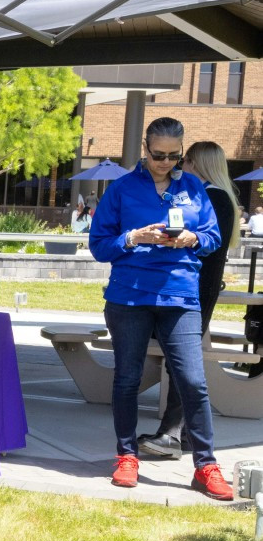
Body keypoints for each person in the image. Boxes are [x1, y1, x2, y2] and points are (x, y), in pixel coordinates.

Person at [89, 118, 232, 499]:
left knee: (193, 382)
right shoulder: (121, 189)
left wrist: (192, 238)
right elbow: (99, 246)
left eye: (173, 155)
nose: (165, 162)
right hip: (129, 296)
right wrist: (133, 238)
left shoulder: (196, 189)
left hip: (179, 296)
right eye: (158, 155)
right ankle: (126, 456)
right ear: (145, 148)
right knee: (127, 379)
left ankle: (206, 466)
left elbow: (214, 238)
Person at [135, 140, 242, 460]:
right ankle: (185, 436)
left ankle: (172, 433)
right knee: (182, 364)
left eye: (188, 162)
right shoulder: (209, 196)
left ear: (201, 164)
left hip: (193, 293)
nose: (182, 168)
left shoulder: (215, 198)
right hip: (188, 290)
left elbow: (198, 245)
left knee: (183, 365)